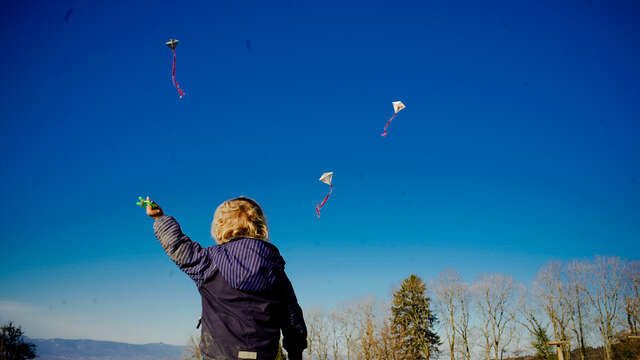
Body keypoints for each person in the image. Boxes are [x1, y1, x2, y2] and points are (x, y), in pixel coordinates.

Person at [143, 196, 307, 360]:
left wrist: (160, 218)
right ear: (260, 225)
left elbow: (178, 245)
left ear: (219, 227)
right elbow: (292, 318)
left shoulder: (208, 262)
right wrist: (296, 352)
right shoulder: (275, 269)